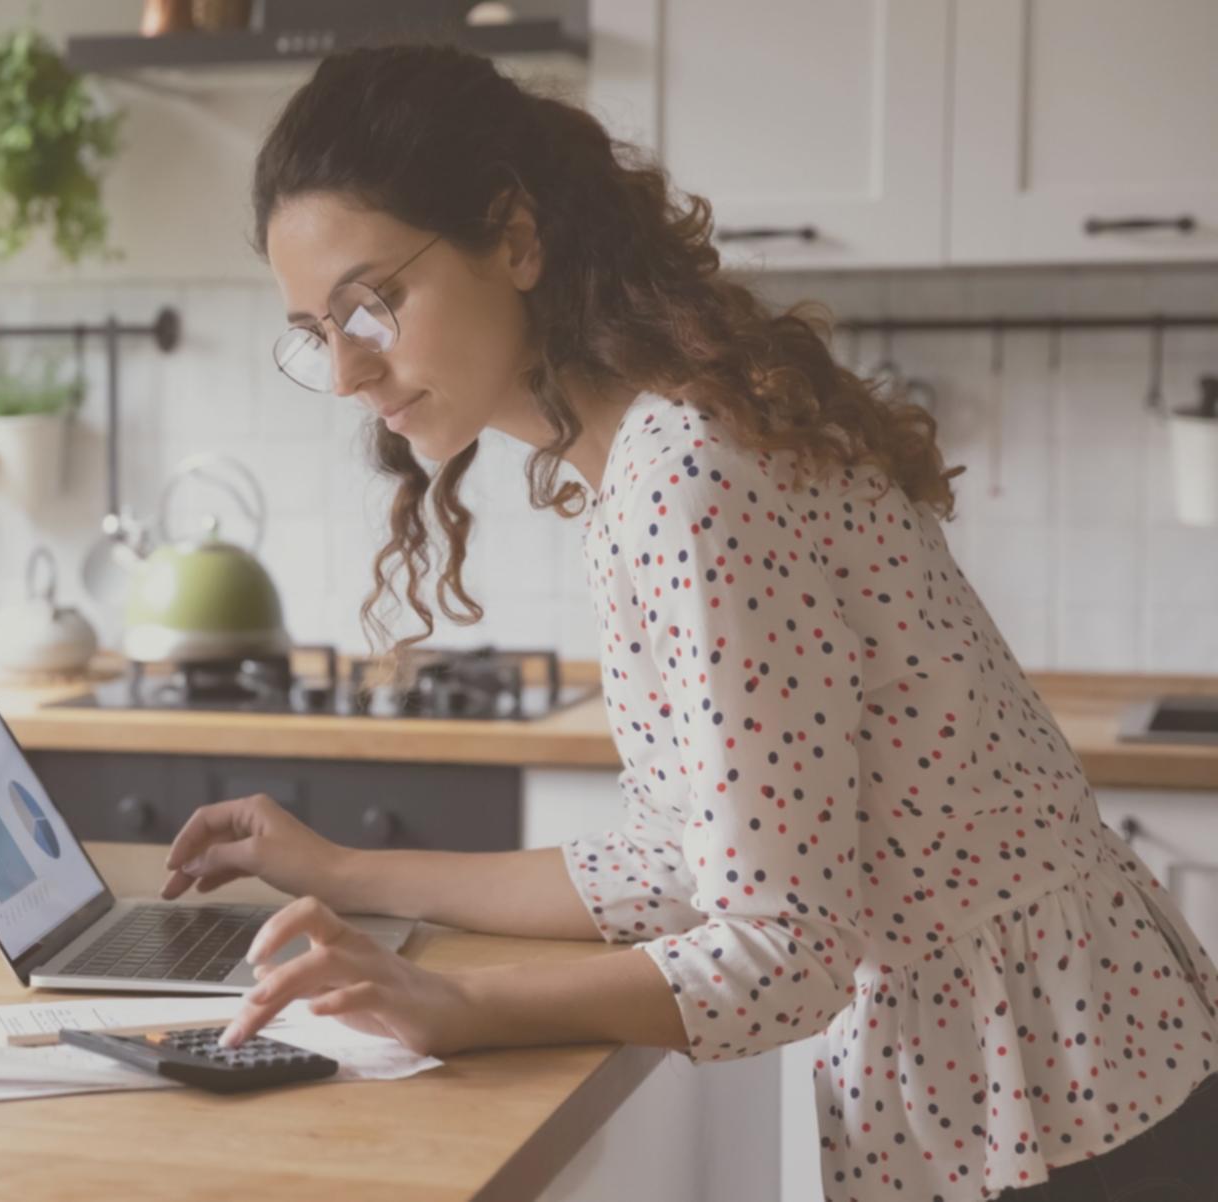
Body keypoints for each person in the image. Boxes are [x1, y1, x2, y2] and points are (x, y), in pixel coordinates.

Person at [158, 43, 1218, 1202]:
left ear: (514, 239)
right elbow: (685, 854)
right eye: (318, 330)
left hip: (1061, 1106)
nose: (351, 370)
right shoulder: (646, 456)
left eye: (372, 301)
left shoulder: (689, 476)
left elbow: (783, 951)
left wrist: (461, 1005)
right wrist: (354, 872)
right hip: (1061, 1078)